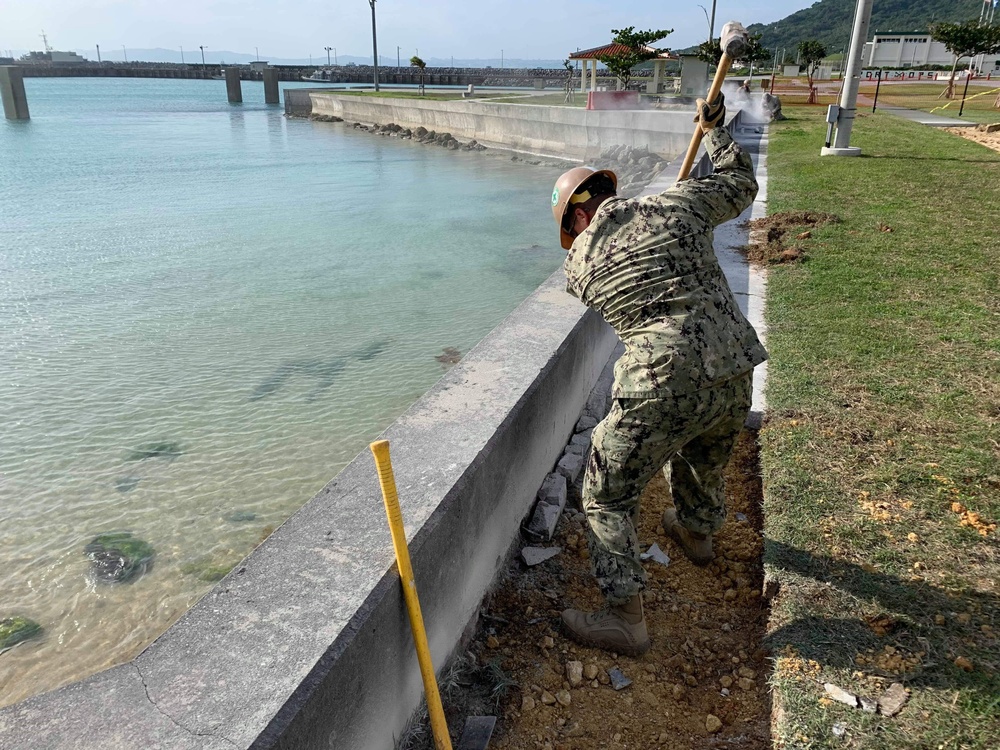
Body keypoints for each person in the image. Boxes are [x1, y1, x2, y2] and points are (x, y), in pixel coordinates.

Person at [550, 92, 767, 656]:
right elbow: (742, 185)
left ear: (576, 216)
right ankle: (697, 534)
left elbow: (608, 268)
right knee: (703, 453)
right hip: (734, 366)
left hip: (659, 381)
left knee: (605, 495)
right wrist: (715, 129)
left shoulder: (577, 268)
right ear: (609, 191)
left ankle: (625, 617)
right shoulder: (674, 205)